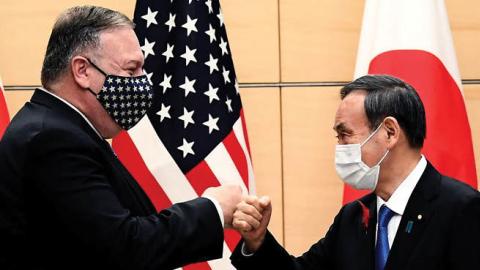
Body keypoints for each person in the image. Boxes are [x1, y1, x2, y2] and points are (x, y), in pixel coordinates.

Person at [0, 6, 243, 270]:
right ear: (82, 70)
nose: (143, 82)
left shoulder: (62, 128)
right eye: (131, 70)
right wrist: (212, 209)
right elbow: (123, 247)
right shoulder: (52, 139)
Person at [230, 75, 480, 270]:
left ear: (390, 132)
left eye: (345, 135)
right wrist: (258, 241)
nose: (339, 148)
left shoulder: (461, 208)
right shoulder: (353, 218)